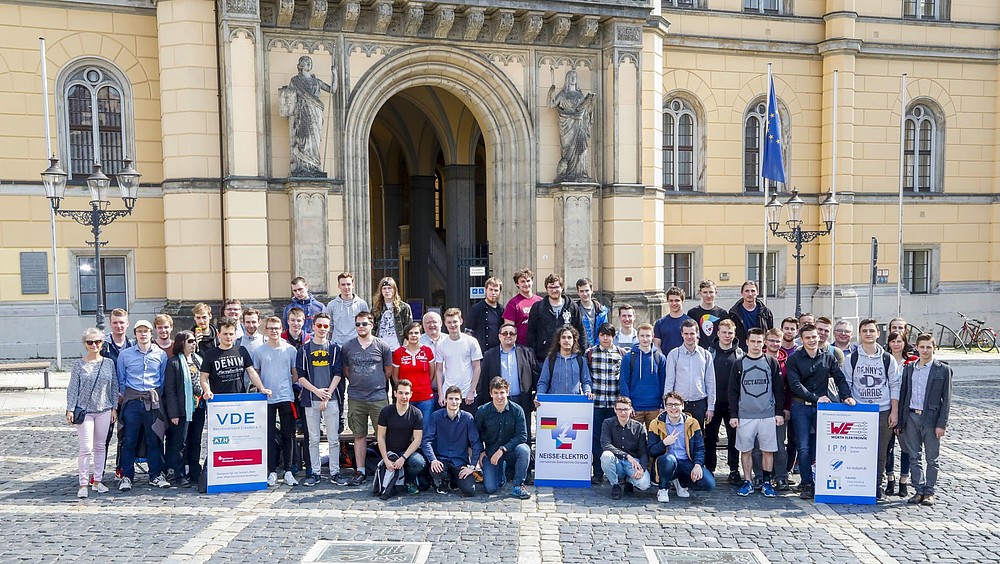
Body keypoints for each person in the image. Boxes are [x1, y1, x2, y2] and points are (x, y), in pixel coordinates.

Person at [785, 323, 855, 500]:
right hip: (801, 407)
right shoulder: (794, 358)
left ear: (819, 337)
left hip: (823, 409)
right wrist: (815, 398)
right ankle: (807, 483)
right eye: (808, 337)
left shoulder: (828, 356)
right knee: (803, 447)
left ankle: (822, 481)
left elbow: (839, 378)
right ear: (802, 340)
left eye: (814, 337)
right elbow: (794, 385)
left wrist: (846, 396)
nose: (812, 340)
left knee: (823, 446)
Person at [845, 318, 900, 500]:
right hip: (859, 411)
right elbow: (846, 383)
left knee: (881, 451)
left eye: (871, 331)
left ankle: (876, 485)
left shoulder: (887, 359)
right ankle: (858, 483)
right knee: (858, 450)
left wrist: (894, 411)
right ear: (859, 334)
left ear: (878, 333)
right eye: (864, 331)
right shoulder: (851, 358)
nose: (868, 334)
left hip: (882, 410)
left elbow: (894, 386)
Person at [897, 334, 952, 507]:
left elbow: (947, 399)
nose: (925, 350)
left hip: (931, 418)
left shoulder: (942, 369)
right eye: (922, 347)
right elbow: (904, 394)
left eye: (929, 347)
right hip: (911, 416)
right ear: (917, 348)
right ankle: (918, 489)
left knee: (932, 458)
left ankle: (929, 491)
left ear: (934, 348)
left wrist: (941, 424)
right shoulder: (910, 368)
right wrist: (900, 420)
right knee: (913, 456)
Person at [729, 329, 784, 498]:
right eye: (753, 341)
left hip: (767, 414)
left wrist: (779, 412)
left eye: (759, 342)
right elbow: (733, 391)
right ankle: (748, 481)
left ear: (764, 343)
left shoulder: (771, 362)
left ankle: (767, 482)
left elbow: (778, 389)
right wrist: (734, 415)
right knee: (746, 450)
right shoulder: (739, 363)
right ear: (747, 342)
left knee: (768, 450)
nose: (756, 345)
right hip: (745, 415)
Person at [341, 311, 394, 486]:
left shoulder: (382, 346)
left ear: (372, 325)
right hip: (356, 397)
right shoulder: (348, 347)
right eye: (358, 324)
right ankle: (360, 470)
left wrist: (376, 382)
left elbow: (388, 370)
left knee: (383, 435)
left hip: (378, 396)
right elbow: (346, 370)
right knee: (359, 435)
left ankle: (387, 466)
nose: (361, 327)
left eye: (364, 324)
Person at [116, 320, 170, 492]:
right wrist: (128, 396)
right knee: (129, 440)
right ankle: (126, 476)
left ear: (151, 333)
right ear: (135, 334)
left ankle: (155, 475)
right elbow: (121, 380)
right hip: (132, 402)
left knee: (154, 439)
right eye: (140, 331)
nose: (143, 334)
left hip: (152, 402)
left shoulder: (160, 355)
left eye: (146, 331)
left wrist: (154, 395)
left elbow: (161, 380)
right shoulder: (125, 355)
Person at [67, 328, 118, 498]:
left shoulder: (109, 363)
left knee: (100, 446)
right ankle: (83, 483)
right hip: (85, 411)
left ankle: (97, 480)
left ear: (102, 343)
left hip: (104, 409)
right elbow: (73, 388)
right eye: (90, 342)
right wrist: (70, 408)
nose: (94, 345)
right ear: (85, 344)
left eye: (97, 342)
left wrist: (114, 408)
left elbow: (114, 387)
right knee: (86, 447)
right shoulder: (78, 364)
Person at [294, 312, 344, 486]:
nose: (322, 329)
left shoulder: (335, 349)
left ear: (329, 328)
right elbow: (300, 377)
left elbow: (338, 373)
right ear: (313, 326)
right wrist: (317, 391)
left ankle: (335, 472)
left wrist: (327, 393)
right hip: (310, 398)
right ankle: (315, 472)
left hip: (331, 399)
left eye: (326, 326)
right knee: (313, 439)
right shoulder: (304, 350)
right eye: (319, 325)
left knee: (333, 438)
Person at [253, 316, 301, 487]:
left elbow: (295, 373)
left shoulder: (290, 350)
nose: (274, 331)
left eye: (277, 328)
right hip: (266, 398)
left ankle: (288, 470)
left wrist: (287, 383)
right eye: (271, 328)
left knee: (289, 435)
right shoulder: (259, 351)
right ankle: (272, 471)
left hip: (286, 396)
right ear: (265, 330)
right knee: (269, 436)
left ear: (281, 329)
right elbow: (255, 372)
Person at [647, 391, 716, 503]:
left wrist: (698, 465)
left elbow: (699, 448)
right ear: (665, 407)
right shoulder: (656, 424)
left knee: (709, 484)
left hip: (685, 461)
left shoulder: (693, 423)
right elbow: (651, 451)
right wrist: (664, 442)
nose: (673, 408)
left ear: (682, 406)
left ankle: (681, 482)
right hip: (666, 462)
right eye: (670, 405)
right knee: (669, 459)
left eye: (676, 404)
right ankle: (663, 488)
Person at [476, 377, 531, 499]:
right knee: (490, 488)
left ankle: (518, 485)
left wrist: (503, 449)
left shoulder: (517, 410)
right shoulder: (483, 411)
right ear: (490, 393)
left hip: (511, 450)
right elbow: (476, 435)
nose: (499, 396)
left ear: (507, 392)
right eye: (495, 393)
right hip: (491, 452)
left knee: (525, 450)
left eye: (502, 392)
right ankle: (501, 475)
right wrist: (481, 452)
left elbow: (522, 435)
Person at [478, 322, 537, 436]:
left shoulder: (527, 353)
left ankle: (525, 453)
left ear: (516, 336)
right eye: (505, 333)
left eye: (511, 333)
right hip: (498, 401)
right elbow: (484, 380)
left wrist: (535, 396)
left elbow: (535, 377)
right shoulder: (489, 355)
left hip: (522, 400)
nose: (508, 336)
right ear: (499, 336)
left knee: (523, 433)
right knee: (500, 434)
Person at [279, 54, 335, 176]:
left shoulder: (316, 81)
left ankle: (314, 165)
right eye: (306, 62)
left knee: (314, 138)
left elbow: (332, 89)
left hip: (316, 112)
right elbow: (290, 99)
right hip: (302, 114)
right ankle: (303, 166)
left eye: (310, 62)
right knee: (304, 138)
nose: (309, 64)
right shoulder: (295, 81)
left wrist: (334, 74)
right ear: (300, 66)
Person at [422, 385, 482, 497]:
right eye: (450, 398)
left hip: (460, 463)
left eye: (456, 399)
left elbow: (476, 443)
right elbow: (426, 441)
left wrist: (472, 466)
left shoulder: (468, 418)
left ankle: (454, 480)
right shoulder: (436, 416)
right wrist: (433, 460)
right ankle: (445, 481)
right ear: (445, 400)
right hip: (442, 461)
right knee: (435, 470)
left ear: (460, 401)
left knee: (470, 491)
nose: (453, 402)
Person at [586, 323, 626, 484]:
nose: (605, 337)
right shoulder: (591, 353)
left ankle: (615, 473)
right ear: (599, 336)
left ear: (613, 336)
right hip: (596, 405)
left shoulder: (621, 353)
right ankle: (597, 472)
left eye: (608, 334)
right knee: (596, 440)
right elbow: (586, 377)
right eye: (602, 334)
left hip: (613, 405)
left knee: (615, 440)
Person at [163, 330, 202, 488]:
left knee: (196, 441)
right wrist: (173, 413)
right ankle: (179, 474)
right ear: (181, 343)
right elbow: (170, 390)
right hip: (182, 409)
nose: (193, 343)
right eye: (190, 341)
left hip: (198, 407)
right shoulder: (174, 363)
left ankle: (194, 472)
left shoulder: (198, 360)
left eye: (194, 341)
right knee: (180, 442)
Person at [375, 379, 426, 499]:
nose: (404, 396)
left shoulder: (416, 413)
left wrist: (403, 458)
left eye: (407, 393)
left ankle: (408, 481)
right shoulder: (386, 411)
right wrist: (386, 459)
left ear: (411, 394)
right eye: (401, 393)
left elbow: (417, 440)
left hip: (406, 452)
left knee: (419, 463)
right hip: (390, 452)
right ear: (395, 393)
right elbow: (381, 437)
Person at [706, 319, 743, 484]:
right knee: (710, 438)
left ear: (734, 334)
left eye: (730, 333)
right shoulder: (709, 352)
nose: (727, 336)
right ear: (718, 333)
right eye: (724, 332)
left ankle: (734, 470)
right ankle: (709, 469)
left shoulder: (740, 354)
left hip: (733, 404)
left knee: (734, 438)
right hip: (713, 402)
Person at [663, 319, 716, 428]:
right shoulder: (674, 354)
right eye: (686, 333)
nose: (689, 337)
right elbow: (669, 381)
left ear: (697, 334)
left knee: (698, 437)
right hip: (678, 404)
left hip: (699, 404)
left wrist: (710, 407)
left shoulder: (705, 355)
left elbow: (710, 382)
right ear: (682, 334)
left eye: (692, 333)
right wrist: (667, 405)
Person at [526, 273, 588, 362]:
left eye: (556, 287)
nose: (554, 290)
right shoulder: (538, 307)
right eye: (550, 288)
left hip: (568, 356)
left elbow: (581, 331)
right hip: (543, 358)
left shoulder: (572, 306)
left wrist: (581, 352)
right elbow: (531, 334)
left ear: (562, 288)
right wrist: (533, 356)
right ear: (546, 289)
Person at [548, 69, 596, 182]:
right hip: (567, 125)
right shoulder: (563, 94)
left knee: (581, 149)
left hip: (579, 125)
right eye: (571, 76)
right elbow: (551, 104)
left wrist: (590, 104)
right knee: (568, 149)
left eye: (575, 76)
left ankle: (580, 173)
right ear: (567, 79)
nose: (573, 78)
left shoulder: (580, 95)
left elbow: (585, 110)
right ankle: (568, 173)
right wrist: (550, 92)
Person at [600, 396, 651, 500]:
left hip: (632, 463)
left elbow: (643, 451)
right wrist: (626, 456)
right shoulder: (607, 423)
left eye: (625, 409)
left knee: (644, 484)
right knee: (606, 455)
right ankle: (615, 485)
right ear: (615, 410)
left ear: (631, 409)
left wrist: (643, 468)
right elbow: (606, 444)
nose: (623, 413)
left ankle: (629, 481)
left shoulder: (638, 427)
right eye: (619, 409)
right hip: (616, 461)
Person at [761, 328, 794, 491]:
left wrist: (786, 408)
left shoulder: (787, 362)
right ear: (765, 342)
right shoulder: (757, 359)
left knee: (780, 445)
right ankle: (760, 476)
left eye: (777, 341)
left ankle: (781, 477)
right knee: (758, 445)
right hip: (759, 410)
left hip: (779, 410)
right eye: (771, 340)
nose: (774, 344)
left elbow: (789, 388)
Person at [886, 330, 917, 497]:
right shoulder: (884, 360)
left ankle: (903, 480)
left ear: (905, 343)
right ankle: (890, 478)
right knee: (887, 447)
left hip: (905, 410)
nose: (896, 344)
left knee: (905, 447)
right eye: (892, 341)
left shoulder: (910, 363)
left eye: (899, 341)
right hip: (886, 408)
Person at [618, 323, 667, 428]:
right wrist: (628, 405)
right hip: (635, 408)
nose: (645, 339)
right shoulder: (628, 357)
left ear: (653, 336)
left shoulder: (660, 358)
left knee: (655, 440)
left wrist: (663, 405)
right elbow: (624, 382)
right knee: (633, 441)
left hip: (655, 408)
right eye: (642, 336)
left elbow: (664, 383)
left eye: (648, 336)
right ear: (638, 336)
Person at [435, 308, 483, 412]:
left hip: (467, 394)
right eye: (449, 322)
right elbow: (438, 369)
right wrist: (441, 394)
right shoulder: (441, 344)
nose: (452, 325)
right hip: (448, 393)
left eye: (455, 321)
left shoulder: (471, 342)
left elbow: (477, 367)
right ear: (445, 324)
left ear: (461, 321)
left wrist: (472, 391)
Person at [392, 322, 437, 426]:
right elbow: (395, 376)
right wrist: (403, 391)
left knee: (424, 428)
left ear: (420, 335)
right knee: (406, 428)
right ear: (406, 335)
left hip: (425, 397)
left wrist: (424, 385)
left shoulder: (427, 351)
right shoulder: (399, 352)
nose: (413, 335)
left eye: (416, 333)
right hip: (406, 398)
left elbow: (432, 373)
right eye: (410, 333)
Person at [535, 326, 592, 399]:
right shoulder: (550, 359)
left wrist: (587, 391)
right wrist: (539, 396)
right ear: (559, 341)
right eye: (563, 337)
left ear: (574, 340)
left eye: (569, 337)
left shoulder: (580, 360)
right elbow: (543, 382)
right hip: (554, 403)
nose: (566, 340)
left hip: (575, 403)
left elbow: (586, 381)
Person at [326, 272, 370, 347]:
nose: (346, 287)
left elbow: (367, 326)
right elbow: (329, 326)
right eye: (343, 284)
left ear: (353, 285)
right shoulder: (332, 305)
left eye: (348, 284)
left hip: (357, 346)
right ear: (338, 286)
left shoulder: (362, 304)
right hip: (337, 346)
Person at [728, 280, 774, 348]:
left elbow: (770, 334)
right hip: (740, 352)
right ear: (742, 293)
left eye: (753, 291)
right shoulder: (733, 313)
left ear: (757, 292)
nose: (750, 294)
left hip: (760, 351)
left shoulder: (766, 312)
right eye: (747, 291)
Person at [503, 269, 542, 347]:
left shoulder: (541, 301)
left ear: (532, 281)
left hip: (539, 346)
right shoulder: (513, 303)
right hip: (521, 346)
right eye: (522, 281)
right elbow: (509, 328)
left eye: (528, 281)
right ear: (517, 284)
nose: (526, 284)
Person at [372, 276, 412, 349]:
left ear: (394, 290)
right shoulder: (376, 308)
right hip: (380, 347)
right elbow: (372, 328)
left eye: (389, 288)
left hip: (397, 346)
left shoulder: (404, 308)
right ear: (381, 291)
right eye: (384, 288)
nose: (387, 291)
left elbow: (408, 328)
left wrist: (404, 346)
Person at [687, 280, 729, 350]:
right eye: (705, 292)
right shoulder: (692, 313)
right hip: (699, 351)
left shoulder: (722, 313)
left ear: (716, 293)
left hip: (717, 351)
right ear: (700, 293)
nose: (708, 295)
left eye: (711, 292)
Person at [467, 277, 505, 354]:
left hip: (497, 352)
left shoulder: (502, 310)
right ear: (485, 290)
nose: (493, 293)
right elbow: (468, 332)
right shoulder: (476, 308)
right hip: (479, 352)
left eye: (496, 290)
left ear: (499, 292)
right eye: (490, 289)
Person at [653, 286, 691, 356]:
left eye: (677, 300)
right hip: (666, 362)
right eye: (671, 301)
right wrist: (663, 360)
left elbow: (694, 343)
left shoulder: (690, 323)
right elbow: (656, 344)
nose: (674, 303)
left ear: (683, 301)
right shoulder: (660, 323)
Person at [575, 278, 609, 347]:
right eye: (581, 291)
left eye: (587, 290)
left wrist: (596, 347)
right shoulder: (574, 310)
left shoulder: (601, 311)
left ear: (591, 290)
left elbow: (604, 331)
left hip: (597, 348)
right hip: (579, 349)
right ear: (578, 292)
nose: (585, 294)